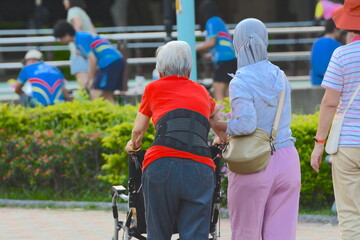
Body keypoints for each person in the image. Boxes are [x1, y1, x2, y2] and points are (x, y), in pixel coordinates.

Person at [125, 41, 227, 240]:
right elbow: (217, 123)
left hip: (161, 165)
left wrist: (132, 146)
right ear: (188, 70)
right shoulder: (202, 92)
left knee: (159, 233)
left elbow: (138, 131)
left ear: (160, 70)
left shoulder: (153, 88)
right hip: (200, 168)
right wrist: (223, 138)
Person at [215, 18, 301, 240]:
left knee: (247, 233)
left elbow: (246, 124)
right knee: (281, 234)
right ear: (265, 41)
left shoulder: (240, 80)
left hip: (254, 163)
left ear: (237, 43)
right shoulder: (281, 76)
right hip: (288, 161)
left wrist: (219, 126)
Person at [310, 0, 360, 239]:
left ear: (349, 26)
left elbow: (330, 102)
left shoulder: (341, 55)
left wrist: (319, 144)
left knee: (350, 213)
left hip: (348, 144)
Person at [53, 20, 125, 104]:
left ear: (66, 34)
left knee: (95, 92)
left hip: (110, 62)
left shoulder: (79, 39)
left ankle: (101, 114)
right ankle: (113, 114)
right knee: (107, 95)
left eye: (60, 38)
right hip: (116, 60)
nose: (61, 41)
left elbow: (92, 59)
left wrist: (91, 79)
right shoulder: (81, 36)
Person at [196, 0, 237, 101]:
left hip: (224, 60)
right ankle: (230, 114)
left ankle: (223, 116)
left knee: (217, 90)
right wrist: (205, 56)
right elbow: (220, 46)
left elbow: (211, 42)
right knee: (227, 92)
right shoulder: (219, 21)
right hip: (230, 59)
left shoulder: (212, 21)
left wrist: (192, 48)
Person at [63, 0, 96, 89]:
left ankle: (85, 101)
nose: (64, 2)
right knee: (91, 81)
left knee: (83, 83)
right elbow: (94, 31)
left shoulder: (72, 11)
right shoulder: (82, 11)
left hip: (79, 51)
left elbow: (78, 24)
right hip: (90, 50)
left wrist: (77, 44)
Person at [310, 19, 341, 85]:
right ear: (335, 29)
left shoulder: (316, 43)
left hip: (316, 81)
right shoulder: (337, 46)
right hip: (331, 84)